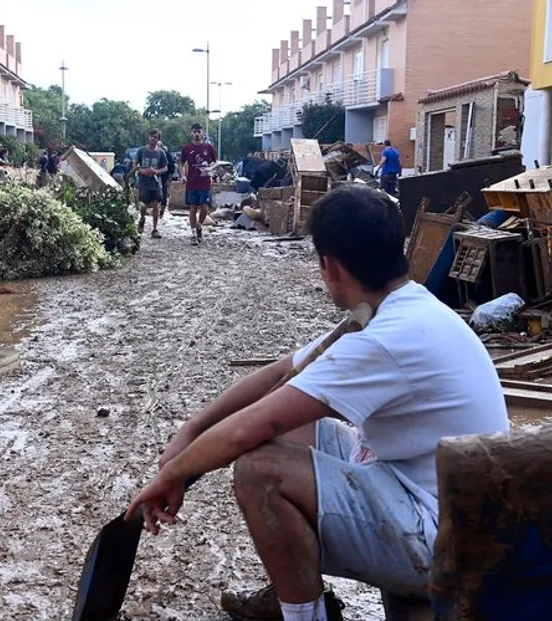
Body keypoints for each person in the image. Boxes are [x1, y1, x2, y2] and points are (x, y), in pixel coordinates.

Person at [125, 185, 509, 621]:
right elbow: (278, 373)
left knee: (260, 471)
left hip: (448, 543)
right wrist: (190, 432)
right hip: (442, 505)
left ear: (329, 265)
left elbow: (246, 429)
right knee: (285, 427)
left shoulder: (386, 339)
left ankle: (304, 615)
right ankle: (294, 588)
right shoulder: (403, 308)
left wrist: (175, 473)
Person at [180, 122, 218, 244]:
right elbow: (180, 163)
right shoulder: (187, 148)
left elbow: (216, 162)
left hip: (205, 181)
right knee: (192, 207)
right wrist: (182, 175)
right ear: (192, 133)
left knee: (205, 207)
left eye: (199, 131)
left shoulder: (208, 147)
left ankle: (199, 225)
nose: (197, 134)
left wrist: (210, 169)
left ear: (203, 133)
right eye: (195, 132)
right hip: (192, 181)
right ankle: (193, 233)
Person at [136, 130, 169, 239]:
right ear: (148, 137)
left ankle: (155, 229)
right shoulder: (141, 151)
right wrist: (142, 171)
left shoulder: (161, 153)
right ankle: (142, 219)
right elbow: (134, 165)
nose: (153, 139)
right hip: (143, 181)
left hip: (155, 182)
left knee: (156, 205)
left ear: (158, 139)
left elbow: (165, 167)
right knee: (143, 204)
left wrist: (157, 171)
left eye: (155, 137)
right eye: (151, 136)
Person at [156, 140, 175, 216]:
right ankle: (156, 208)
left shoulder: (167, 155)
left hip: (165, 176)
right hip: (154, 176)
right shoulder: (152, 154)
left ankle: (162, 210)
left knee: (164, 192)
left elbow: (171, 167)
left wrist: (169, 179)